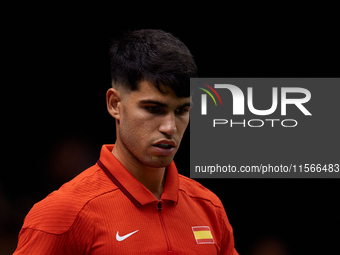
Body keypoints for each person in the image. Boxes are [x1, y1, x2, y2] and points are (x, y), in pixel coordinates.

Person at [13, 29, 238, 254]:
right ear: (114, 104)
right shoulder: (63, 214)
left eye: (182, 110)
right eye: (153, 109)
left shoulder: (210, 208)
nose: (170, 127)